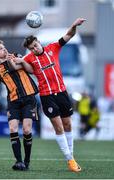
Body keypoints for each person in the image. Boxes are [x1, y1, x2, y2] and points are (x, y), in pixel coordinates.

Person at [14, 18, 86, 172]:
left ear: (39, 42)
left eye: (35, 46)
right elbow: (20, 65)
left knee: (67, 125)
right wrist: (15, 59)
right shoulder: (29, 58)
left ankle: (71, 157)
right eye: (31, 48)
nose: (34, 49)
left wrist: (73, 25)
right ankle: (70, 160)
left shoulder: (53, 47)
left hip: (61, 92)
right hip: (47, 96)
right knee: (58, 127)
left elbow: (69, 35)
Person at [0, 40, 38, 171]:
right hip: (13, 101)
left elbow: (23, 67)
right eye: (0, 48)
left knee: (27, 130)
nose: (4, 49)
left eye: (4, 47)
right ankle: (19, 161)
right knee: (12, 128)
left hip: (28, 97)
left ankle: (26, 161)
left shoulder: (16, 56)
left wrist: (13, 59)